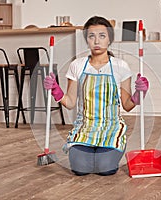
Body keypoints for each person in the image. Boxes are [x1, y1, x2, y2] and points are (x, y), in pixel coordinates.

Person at [44, 16, 149, 176]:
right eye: (91, 36)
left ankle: (109, 149)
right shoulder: (77, 65)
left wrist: (138, 93)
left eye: (102, 36)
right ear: (86, 40)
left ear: (109, 40)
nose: (96, 41)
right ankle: (89, 150)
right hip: (85, 127)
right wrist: (56, 91)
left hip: (111, 128)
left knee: (105, 168)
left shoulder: (120, 66)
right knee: (80, 168)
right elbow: (71, 102)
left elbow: (127, 105)